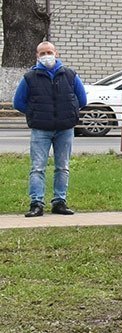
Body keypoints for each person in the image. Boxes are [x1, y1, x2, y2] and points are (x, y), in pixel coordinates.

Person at [12, 41, 85, 217]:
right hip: (40, 130)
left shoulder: (69, 75)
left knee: (63, 167)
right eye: (43, 53)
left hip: (64, 129)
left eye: (49, 52)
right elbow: (18, 102)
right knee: (37, 167)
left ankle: (60, 202)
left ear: (56, 53)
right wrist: (36, 113)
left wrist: (69, 114)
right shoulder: (30, 77)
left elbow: (82, 100)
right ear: (37, 56)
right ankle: (36, 203)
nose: (46, 56)